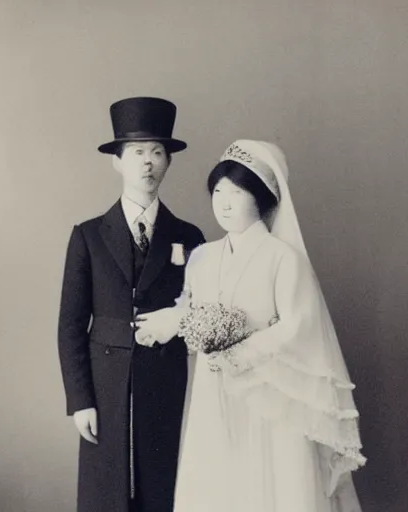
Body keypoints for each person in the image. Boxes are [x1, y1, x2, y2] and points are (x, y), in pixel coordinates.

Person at [135, 139, 366, 512]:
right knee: (219, 482)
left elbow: (297, 325)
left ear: (262, 198)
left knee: (276, 483)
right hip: (215, 391)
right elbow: (190, 306)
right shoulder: (203, 257)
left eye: (237, 192)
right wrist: (173, 321)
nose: (224, 202)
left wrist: (239, 353)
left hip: (271, 393)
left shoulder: (284, 259)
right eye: (218, 191)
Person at [57, 97, 205, 512]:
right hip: (104, 384)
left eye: (157, 152)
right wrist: (80, 399)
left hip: (166, 379)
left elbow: (200, 310)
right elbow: (70, 325)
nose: (148, 163)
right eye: (137, 152)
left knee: (163, 486)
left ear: (168, 162)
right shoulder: (87, 236)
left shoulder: (189, 236)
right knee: (105, 492)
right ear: (117, 161)